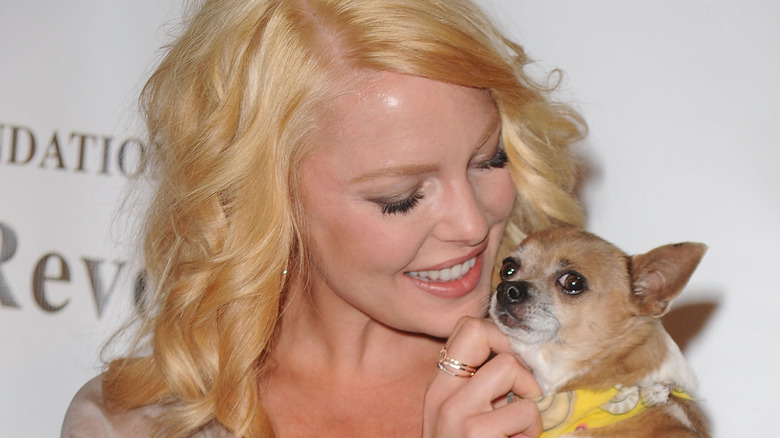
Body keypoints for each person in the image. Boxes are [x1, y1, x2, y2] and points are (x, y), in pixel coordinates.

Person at [62, 0, 586, 436]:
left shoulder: (596, 384)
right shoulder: (135, 424)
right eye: (400, 197)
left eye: (489, 160)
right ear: (268, 202)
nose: (472, 224)